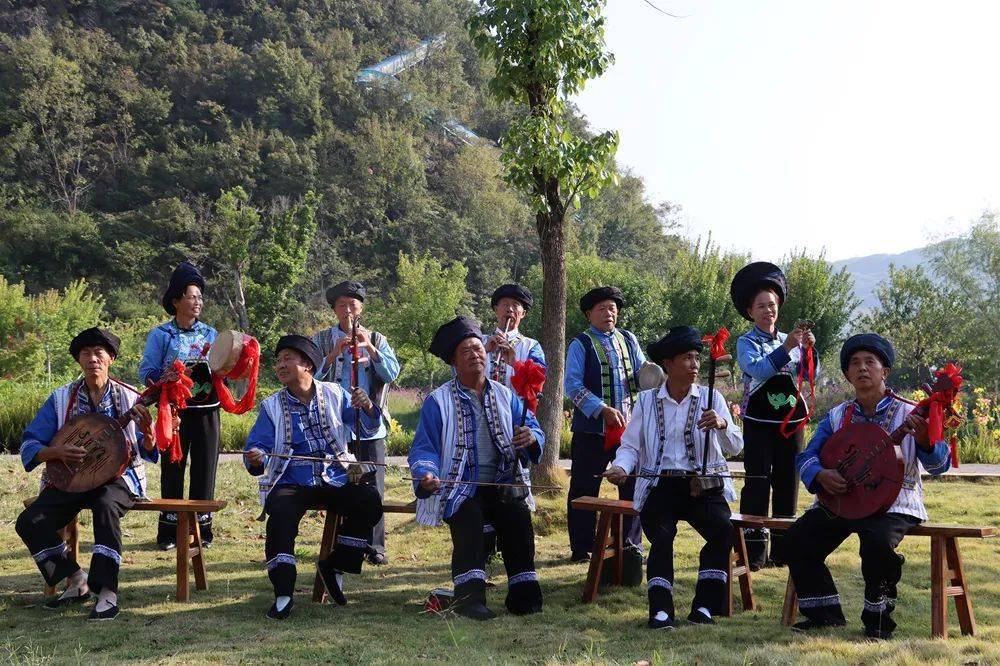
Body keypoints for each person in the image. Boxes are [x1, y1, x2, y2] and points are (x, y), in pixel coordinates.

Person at [783, 333, 951, 639]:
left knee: (875, 543)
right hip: (846, 500)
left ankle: (878, 621)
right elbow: (807, 456)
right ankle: (825, 616)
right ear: (847, 374)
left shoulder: (911, 412)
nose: (862, 368)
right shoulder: (837, 417)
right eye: (855, 364)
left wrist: (926, 440)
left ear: (884, 371)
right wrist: (820, 475)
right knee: (797, 539)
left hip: (896, 502)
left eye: (870, 362)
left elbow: (940, 466)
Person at [604, 326, 744, 629]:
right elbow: (630, 446)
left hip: (702, 484)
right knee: (662, 535)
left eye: (697, 357)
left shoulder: (712, 398)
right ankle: (661, 609)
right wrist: (622, 468)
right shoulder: (645, 401)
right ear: (668, 363)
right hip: (660, 484)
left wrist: (721, 424)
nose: (695, 365)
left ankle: (705, 605)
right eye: (687, 358)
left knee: (722, 531)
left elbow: (736, 446)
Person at [16, 328, 160, 620]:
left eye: (99, 353)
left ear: (111, 358)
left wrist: (149, 434)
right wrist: (56, 452)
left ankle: (107, 591)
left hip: (120, 476)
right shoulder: (60, 399)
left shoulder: (132, 397)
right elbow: (30, 443)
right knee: (30, 521)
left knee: (105, 505)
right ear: (79, 361)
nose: (93, 358)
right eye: (86, 353)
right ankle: (76, 578)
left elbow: (150, 452)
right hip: (72, 478)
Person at [408, 316, 545, 620]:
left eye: (478, 349)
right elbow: (424, 447)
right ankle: (470, 600)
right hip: (460, 488)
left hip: (501, 485)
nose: (475, 355)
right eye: (466, 351)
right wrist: (426, 474)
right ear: (454, 362)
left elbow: (535, 430)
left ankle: (524, 597)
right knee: (468, 519)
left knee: (517, 517)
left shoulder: (505, 394)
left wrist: (530, 437)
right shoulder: (438, 401)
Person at [243, 335, 384, 620]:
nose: (280, 365)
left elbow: (367, 429)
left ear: (307, 365)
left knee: (369, 499)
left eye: (288, 359)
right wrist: (255, 455)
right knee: (280, 512)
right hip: (291, 479)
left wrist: (367, 406)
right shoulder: (271, 406)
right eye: (278, 361)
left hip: (338, 474)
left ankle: (335, 564)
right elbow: (258, 445)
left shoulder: (334, 393)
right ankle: (284, 592)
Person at [731, 261, 817, 569]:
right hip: (758, 422)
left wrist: (809, 350)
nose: (768, 310)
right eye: (761, 306)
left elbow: (806, 373)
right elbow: (757, 369)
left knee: (787, 479)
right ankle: (753, 550)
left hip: (791, 420)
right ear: (750, 311)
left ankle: (783, 550)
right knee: (757, 479)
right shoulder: (746, 342)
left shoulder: (788, 338)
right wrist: (787, 348)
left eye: (772, 305)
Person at [312, 280, 400, 565]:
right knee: (341, 482)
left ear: (361, 308)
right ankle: (343, 542)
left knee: (373, 483)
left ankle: (375, 546)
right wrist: (334, 353)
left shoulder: (376, 338)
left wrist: (370, 350)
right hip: (335, 425)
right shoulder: (323, 338)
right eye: (342, 305)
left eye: (353, 305)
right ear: (334, 310)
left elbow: (391, 374)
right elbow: (310, 376)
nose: (348, 310)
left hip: (370, 424)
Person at [139, 261, 221, 549]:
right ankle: (169, 532)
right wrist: (166, 376)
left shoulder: (212, 334)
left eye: (200, 297)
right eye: (191, 296)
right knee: (173, 467)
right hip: (173, 411)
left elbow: (223, 369)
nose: (197, 302)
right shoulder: (161, 335)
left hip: (207, 410)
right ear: (176, 301)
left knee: (205, 467)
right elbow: (146, 372)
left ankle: (202, 532)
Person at [565, 286, 645, 562]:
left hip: (629, 431)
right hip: (591, 430)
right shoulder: (580, 344)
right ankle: (582, 547)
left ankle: (631, 545)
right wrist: (602, 409)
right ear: (589, 314)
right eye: (601, 309)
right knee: (585, 486)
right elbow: (572, 385)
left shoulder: (629, 340)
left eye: (612, 308)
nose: (608, 313)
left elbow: (644, 374)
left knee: (633, 484)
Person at [483, 283, 546, 388]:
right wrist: (483, 350)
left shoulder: (531, 346)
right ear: (496, 309)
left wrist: (515, 363)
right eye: (505, 304)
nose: (510, 309)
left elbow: (538, 382)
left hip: (516, 404)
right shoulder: (479, 342)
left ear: (523, 314)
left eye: (515, 305)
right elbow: (459, 371)